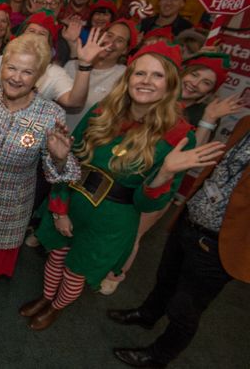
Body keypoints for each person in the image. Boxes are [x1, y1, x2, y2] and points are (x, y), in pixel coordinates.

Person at [19, 41, 225, 331]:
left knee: (76, 271)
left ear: (170, 84)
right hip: (72, 201)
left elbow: (146, 204)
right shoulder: (102, 112)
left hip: (112, 222)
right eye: (140, 73)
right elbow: (71, 161)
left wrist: (164, 173)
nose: (146, 81)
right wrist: (59, 207)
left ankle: (55, 307)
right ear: (128, 78)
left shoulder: (179, 136)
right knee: (56, 256)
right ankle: (46, 297)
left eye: (157, 75)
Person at [0, 34, 81, 315]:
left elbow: (63, 175)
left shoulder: (50, 115)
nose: (17, 78)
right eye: (12, 68)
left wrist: (59, 158)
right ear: (2, 67)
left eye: (27, 72)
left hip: (13, 199)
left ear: (39, 76)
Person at [109, 114, 250, 368]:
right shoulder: (246, 123)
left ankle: (158, 357)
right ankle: (148, 314)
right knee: (166, 277)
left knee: (185, 307)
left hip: (221, 243)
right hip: (190, 219)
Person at [102, 51, 246, 295]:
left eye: (206, 83)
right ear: (181, 73)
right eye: (195, 75)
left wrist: (208, 119)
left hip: (162, 182)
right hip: (128, 174)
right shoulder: (153, 96)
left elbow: (190, 157)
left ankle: (115, 273)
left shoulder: (202, 113)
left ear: (209, 92)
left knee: (134, 233)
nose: (196, 83)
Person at [64, 19, 136, 130]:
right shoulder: (71, 66)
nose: (111, 43)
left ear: (125, 50)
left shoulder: (124, 77)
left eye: (120, 40)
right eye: (109, 35)